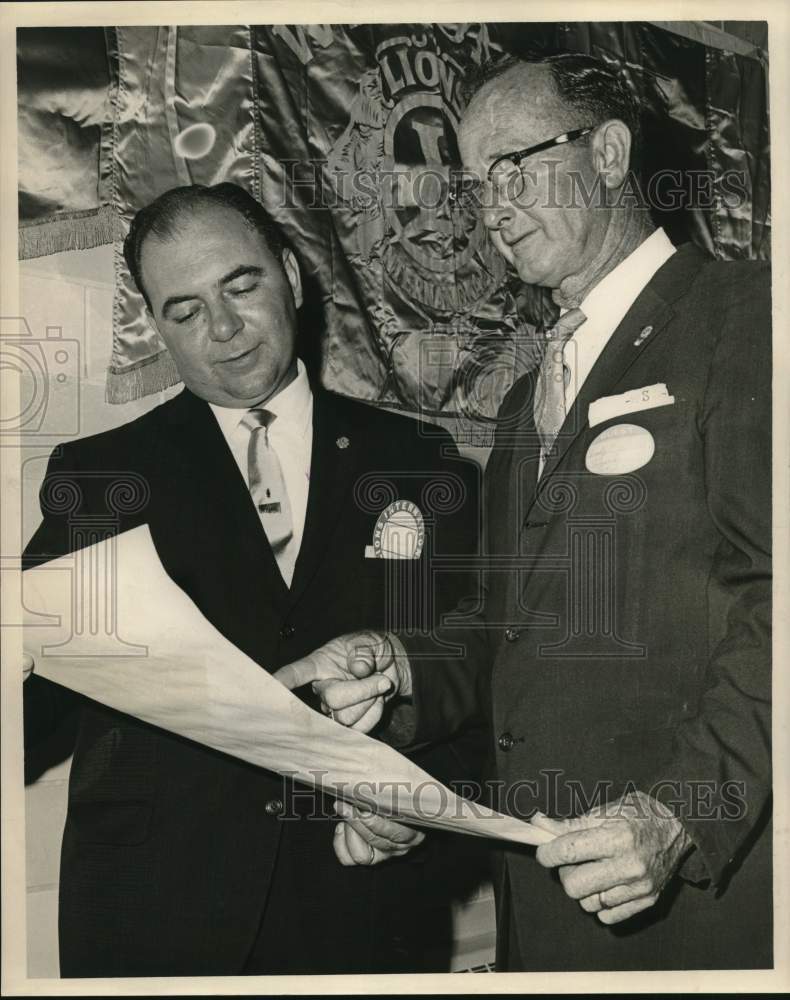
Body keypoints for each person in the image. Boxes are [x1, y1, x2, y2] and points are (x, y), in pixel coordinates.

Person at [297, 52, 772, 971]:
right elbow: (507, 634)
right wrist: (400, 670)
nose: (493, 206)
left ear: (609, 152)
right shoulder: (527, 398)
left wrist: (680, 814)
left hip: (704, 909)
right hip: (547, 913)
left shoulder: (744, 320)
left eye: (515, 165)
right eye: (478, 186)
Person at [22, 182, 488, 976]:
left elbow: (478, 674)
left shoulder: (420, 461)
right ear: (158, 326)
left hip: (364, 908)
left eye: (241, 287)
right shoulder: (101, 475)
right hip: (155, 918)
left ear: (292, 280)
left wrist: (425, 801)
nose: (225, 329)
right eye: (187, 310)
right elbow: (32, 710)